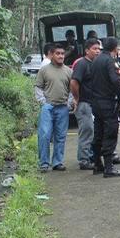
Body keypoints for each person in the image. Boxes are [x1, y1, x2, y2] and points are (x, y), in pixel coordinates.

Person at [90, 37, 120, 178]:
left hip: (96, 102)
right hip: (107, 103)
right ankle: (109, 167)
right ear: (115, 48)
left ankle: (97, 164)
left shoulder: (95, 61)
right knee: (110, 133)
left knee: (98, 133)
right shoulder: (110, 62)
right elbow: (115, 81)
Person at [35, 44, 73, 173]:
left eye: (62, 54)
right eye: (58, 53)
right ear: (52, 55)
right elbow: (38, 87)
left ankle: (57, 162)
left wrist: (69, 103)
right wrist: (43, 102)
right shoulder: (44, 70)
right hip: (48, 107)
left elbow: (72, 90)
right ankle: (44, 163)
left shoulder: (68, 71)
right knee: (45, 135)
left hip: (62, 108)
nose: (61, 56)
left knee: (60, 136)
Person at [71, 38, 101, 170]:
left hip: (94, 104)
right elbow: (74, 82)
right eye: (94, 49)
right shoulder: (81, 64)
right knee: (86, 131)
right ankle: (83, 160)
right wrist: (77, 98)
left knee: (94, 132)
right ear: (87, 50)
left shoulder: (96, 64)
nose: (97, 51)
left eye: (98, 49)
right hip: (84, 104)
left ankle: (90, 157)